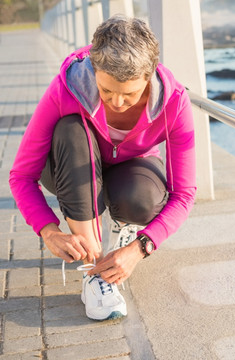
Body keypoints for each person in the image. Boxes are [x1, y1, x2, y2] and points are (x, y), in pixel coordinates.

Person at [9, 15, 196, 321]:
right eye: (107, 91)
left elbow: (185, 193)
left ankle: (124, 229)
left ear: (149, 76)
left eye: (130, 94)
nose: (118, 102)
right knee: (71, 130)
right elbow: (21, 176)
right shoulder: (66, 89)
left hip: (130, 171)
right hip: (69, 166)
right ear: (94, 70)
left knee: (143, 197)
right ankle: (94, 270)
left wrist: (141, 247)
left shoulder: (173, 102)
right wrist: (49, 231)